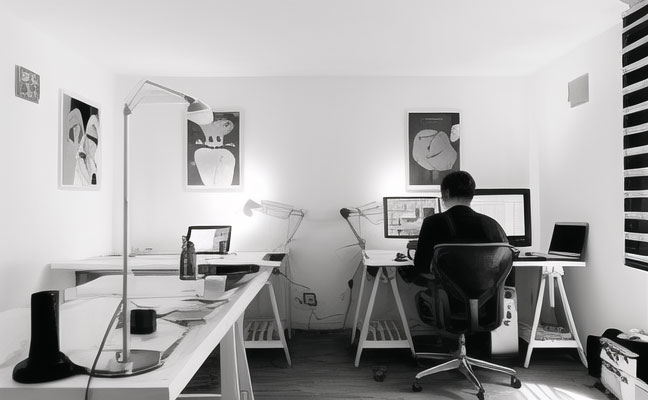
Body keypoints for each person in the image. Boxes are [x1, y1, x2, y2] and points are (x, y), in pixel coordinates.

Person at [408, 170, 508, 283]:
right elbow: (505, 263)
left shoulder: (432, 223)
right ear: (471, 195)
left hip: (446, 292)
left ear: (446, 193)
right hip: (486, 292)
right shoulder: (493, 225)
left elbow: (421, 266)